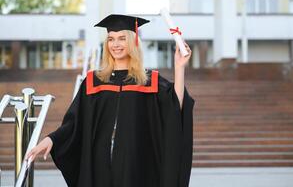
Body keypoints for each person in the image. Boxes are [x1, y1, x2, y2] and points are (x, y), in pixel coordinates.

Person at [26, 14, 195, 187]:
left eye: (122, 38)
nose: (115, 44)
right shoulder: (94, 81)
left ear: (133, 42)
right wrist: (51, 139)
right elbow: (75, 121)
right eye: (111, 39)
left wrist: (179, 68)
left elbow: (175, 107)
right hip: (100, 164)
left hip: (136, 165)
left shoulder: (149, 81)